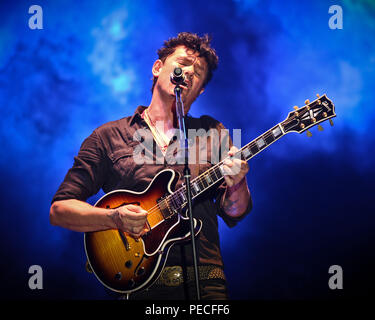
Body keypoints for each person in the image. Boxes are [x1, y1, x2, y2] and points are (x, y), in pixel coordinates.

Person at [50, 32, 252, 300]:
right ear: (158, 68)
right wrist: (114, 218)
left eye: (199, 71)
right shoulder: (108, 136)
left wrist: (238, 181)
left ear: (200, 89)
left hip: (205, 283)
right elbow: (60, 210)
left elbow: (235, 212)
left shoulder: (213, 132)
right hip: (137, 283)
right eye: (183, 63)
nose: (189, 72)